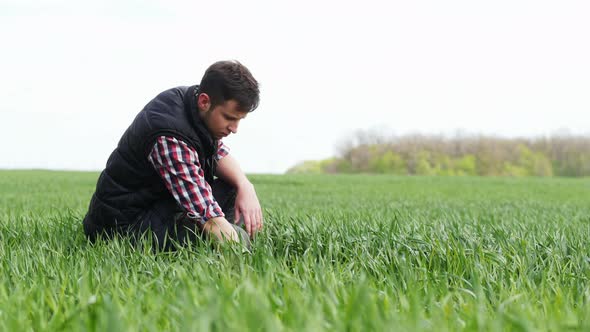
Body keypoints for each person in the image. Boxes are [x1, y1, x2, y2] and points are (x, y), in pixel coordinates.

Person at [83, 60, 263, 251]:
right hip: (122, 228)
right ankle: (225, 242)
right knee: (227, 239)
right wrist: (243, 252)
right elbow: (207, 216)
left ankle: (220, 238)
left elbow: (217, 152)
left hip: (157, 206)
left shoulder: (192, 104)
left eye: (239, 120)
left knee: (232, 187)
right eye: (229, 118)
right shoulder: (169, 136)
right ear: (204, 101)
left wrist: (245, 185)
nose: (234, 129)